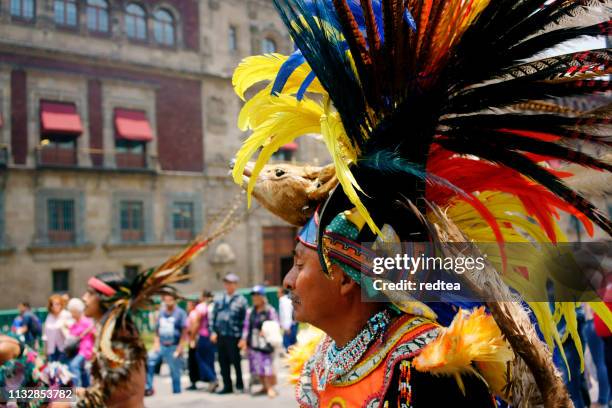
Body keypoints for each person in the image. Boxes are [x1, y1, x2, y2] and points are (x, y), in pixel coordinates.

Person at [229, 1, 612, 405]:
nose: (286, 281)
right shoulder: (318, 360)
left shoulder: (429, 368)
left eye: (300, 264)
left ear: (345, 279)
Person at [209, 273, 247, 394]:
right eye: (226, 283)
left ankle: (240, 386)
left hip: (234, 336)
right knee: (222, 362)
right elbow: (213, 317)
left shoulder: (241, 300)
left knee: (236, 362)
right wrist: (213, 331)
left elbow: (245, 320)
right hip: (221, 336)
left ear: (235, 285)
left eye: (231, 283)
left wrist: (243, 338)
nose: (228, 285)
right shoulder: (219, 299)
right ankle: (227, 386)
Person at [240, 285, 280, 398]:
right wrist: (244, 340)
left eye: (257, 295)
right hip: (253, 342)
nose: (254, 298)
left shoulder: (269, 310)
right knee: (257, 367)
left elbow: (276, 324)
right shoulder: (250, 311)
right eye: (253, 295)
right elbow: (246, 327)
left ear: (262, 296)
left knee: (267, 365)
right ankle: (264, 386)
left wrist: (266, 330)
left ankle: (270, 388)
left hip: (265, 343)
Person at [145, 293, 187, 395]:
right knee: (149, 361)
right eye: (166, 299)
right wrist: (156, 343)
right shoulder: (162, 313)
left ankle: (176, 391)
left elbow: (184, 331)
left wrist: (180, 348)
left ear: (174, 300)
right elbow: (157, 330)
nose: (168, 301)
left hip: (173, 345)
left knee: (174, 370)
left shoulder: (180, 313)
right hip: (162, 345)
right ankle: (148, 387)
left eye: (170, 299)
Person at [189, 289, 218, 392]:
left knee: (200, 359)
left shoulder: (201, 307)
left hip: (203, 336)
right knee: (210, 360)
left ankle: (212, 378)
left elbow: (196, 323)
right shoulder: (213, 306)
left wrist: (192, 338)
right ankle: (212, 379)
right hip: (212, 337)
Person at [66, 298, 95, 388]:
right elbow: (71, 336)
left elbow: (95, 334)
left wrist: (94, 349)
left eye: (72, 312)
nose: (71, 314)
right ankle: (86, 389)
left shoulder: (87, 322)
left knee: (73, 365)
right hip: (77, 351)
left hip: (86, 350)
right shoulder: (74, 324)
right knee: (83, 371)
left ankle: (77, 388)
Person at [43, 294, 72, 362]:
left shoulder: (66, 315)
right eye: (53, 304)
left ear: (61, 305)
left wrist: (66, 326)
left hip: (63, 348)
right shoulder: (49, 317)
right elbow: (46, 336)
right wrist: (45, 351)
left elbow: (72, 331)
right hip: (52, 350)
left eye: (57, 304)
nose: (55, 306)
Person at [186, 300, 200, 390]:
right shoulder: (193, 313)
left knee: (193, 362)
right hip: (192, 339)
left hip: (193, 340)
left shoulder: (193, 313)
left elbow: (195, 325)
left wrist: (192, 339)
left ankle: (194, 381)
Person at [278, 287, 297, 352]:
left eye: (278, 292)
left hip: (289, 326)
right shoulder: (286, 300)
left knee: (288, 345)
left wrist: (287, 326)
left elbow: (286, 313)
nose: (277, 294)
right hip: (292, 324)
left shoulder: (283, 300)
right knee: (292, 344)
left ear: (282, 293)